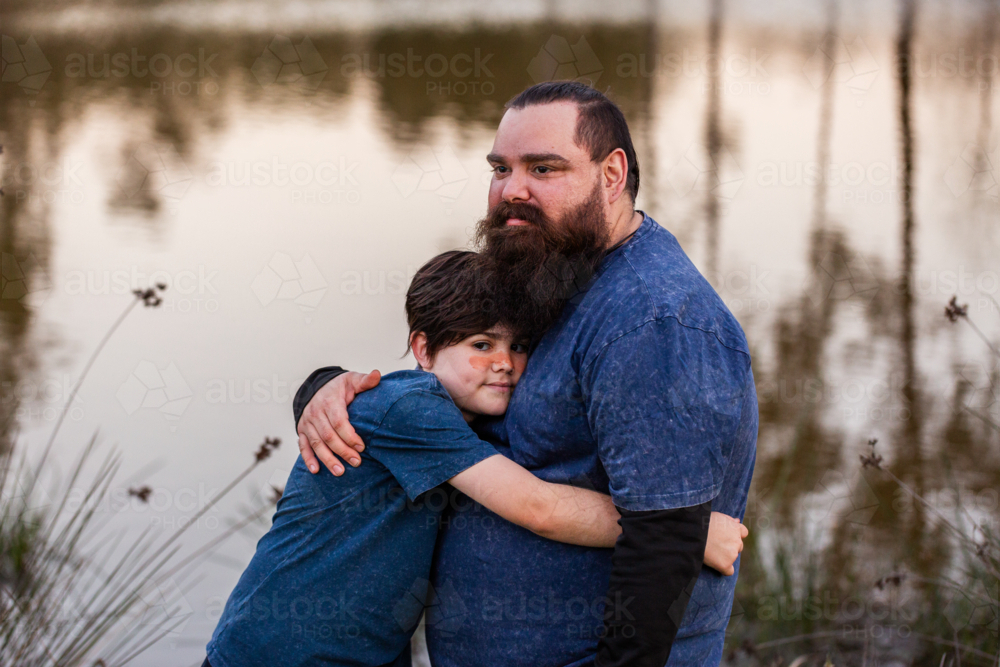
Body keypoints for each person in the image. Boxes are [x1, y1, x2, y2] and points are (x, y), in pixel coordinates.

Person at [295, 81, 758, 666]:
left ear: (612, 174)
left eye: (543, 168)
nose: (512, 190)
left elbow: (661, 548)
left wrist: (688, 531)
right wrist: (325, 389)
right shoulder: (549, 269)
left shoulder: (654, 322)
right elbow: (443, 375)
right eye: (500, 169)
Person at [206, 250, 746, 667]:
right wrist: (685, 533)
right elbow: (538, 507)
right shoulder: (410, 408)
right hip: (277, 651)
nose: (505, 364)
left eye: (518, 346)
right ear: (422, 349)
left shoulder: (464, 418)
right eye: (482, 346)